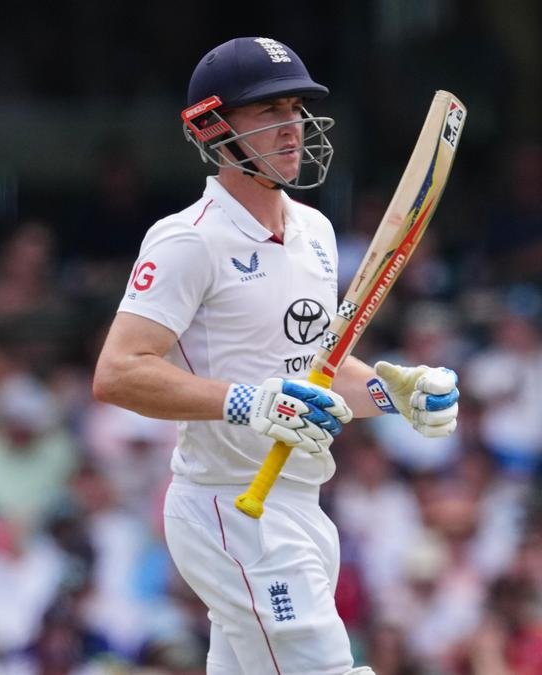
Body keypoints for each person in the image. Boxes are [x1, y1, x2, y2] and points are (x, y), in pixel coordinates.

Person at [92, 37, 460, 674]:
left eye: (296, 107)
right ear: (213, 128)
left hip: (300, 503)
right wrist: (245, 401)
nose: (293, 128)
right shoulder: (188, 238)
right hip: (230, 505)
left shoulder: (315, 231)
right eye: (269, 112)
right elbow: (119, 372)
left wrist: (390, 393)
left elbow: (313, 372)